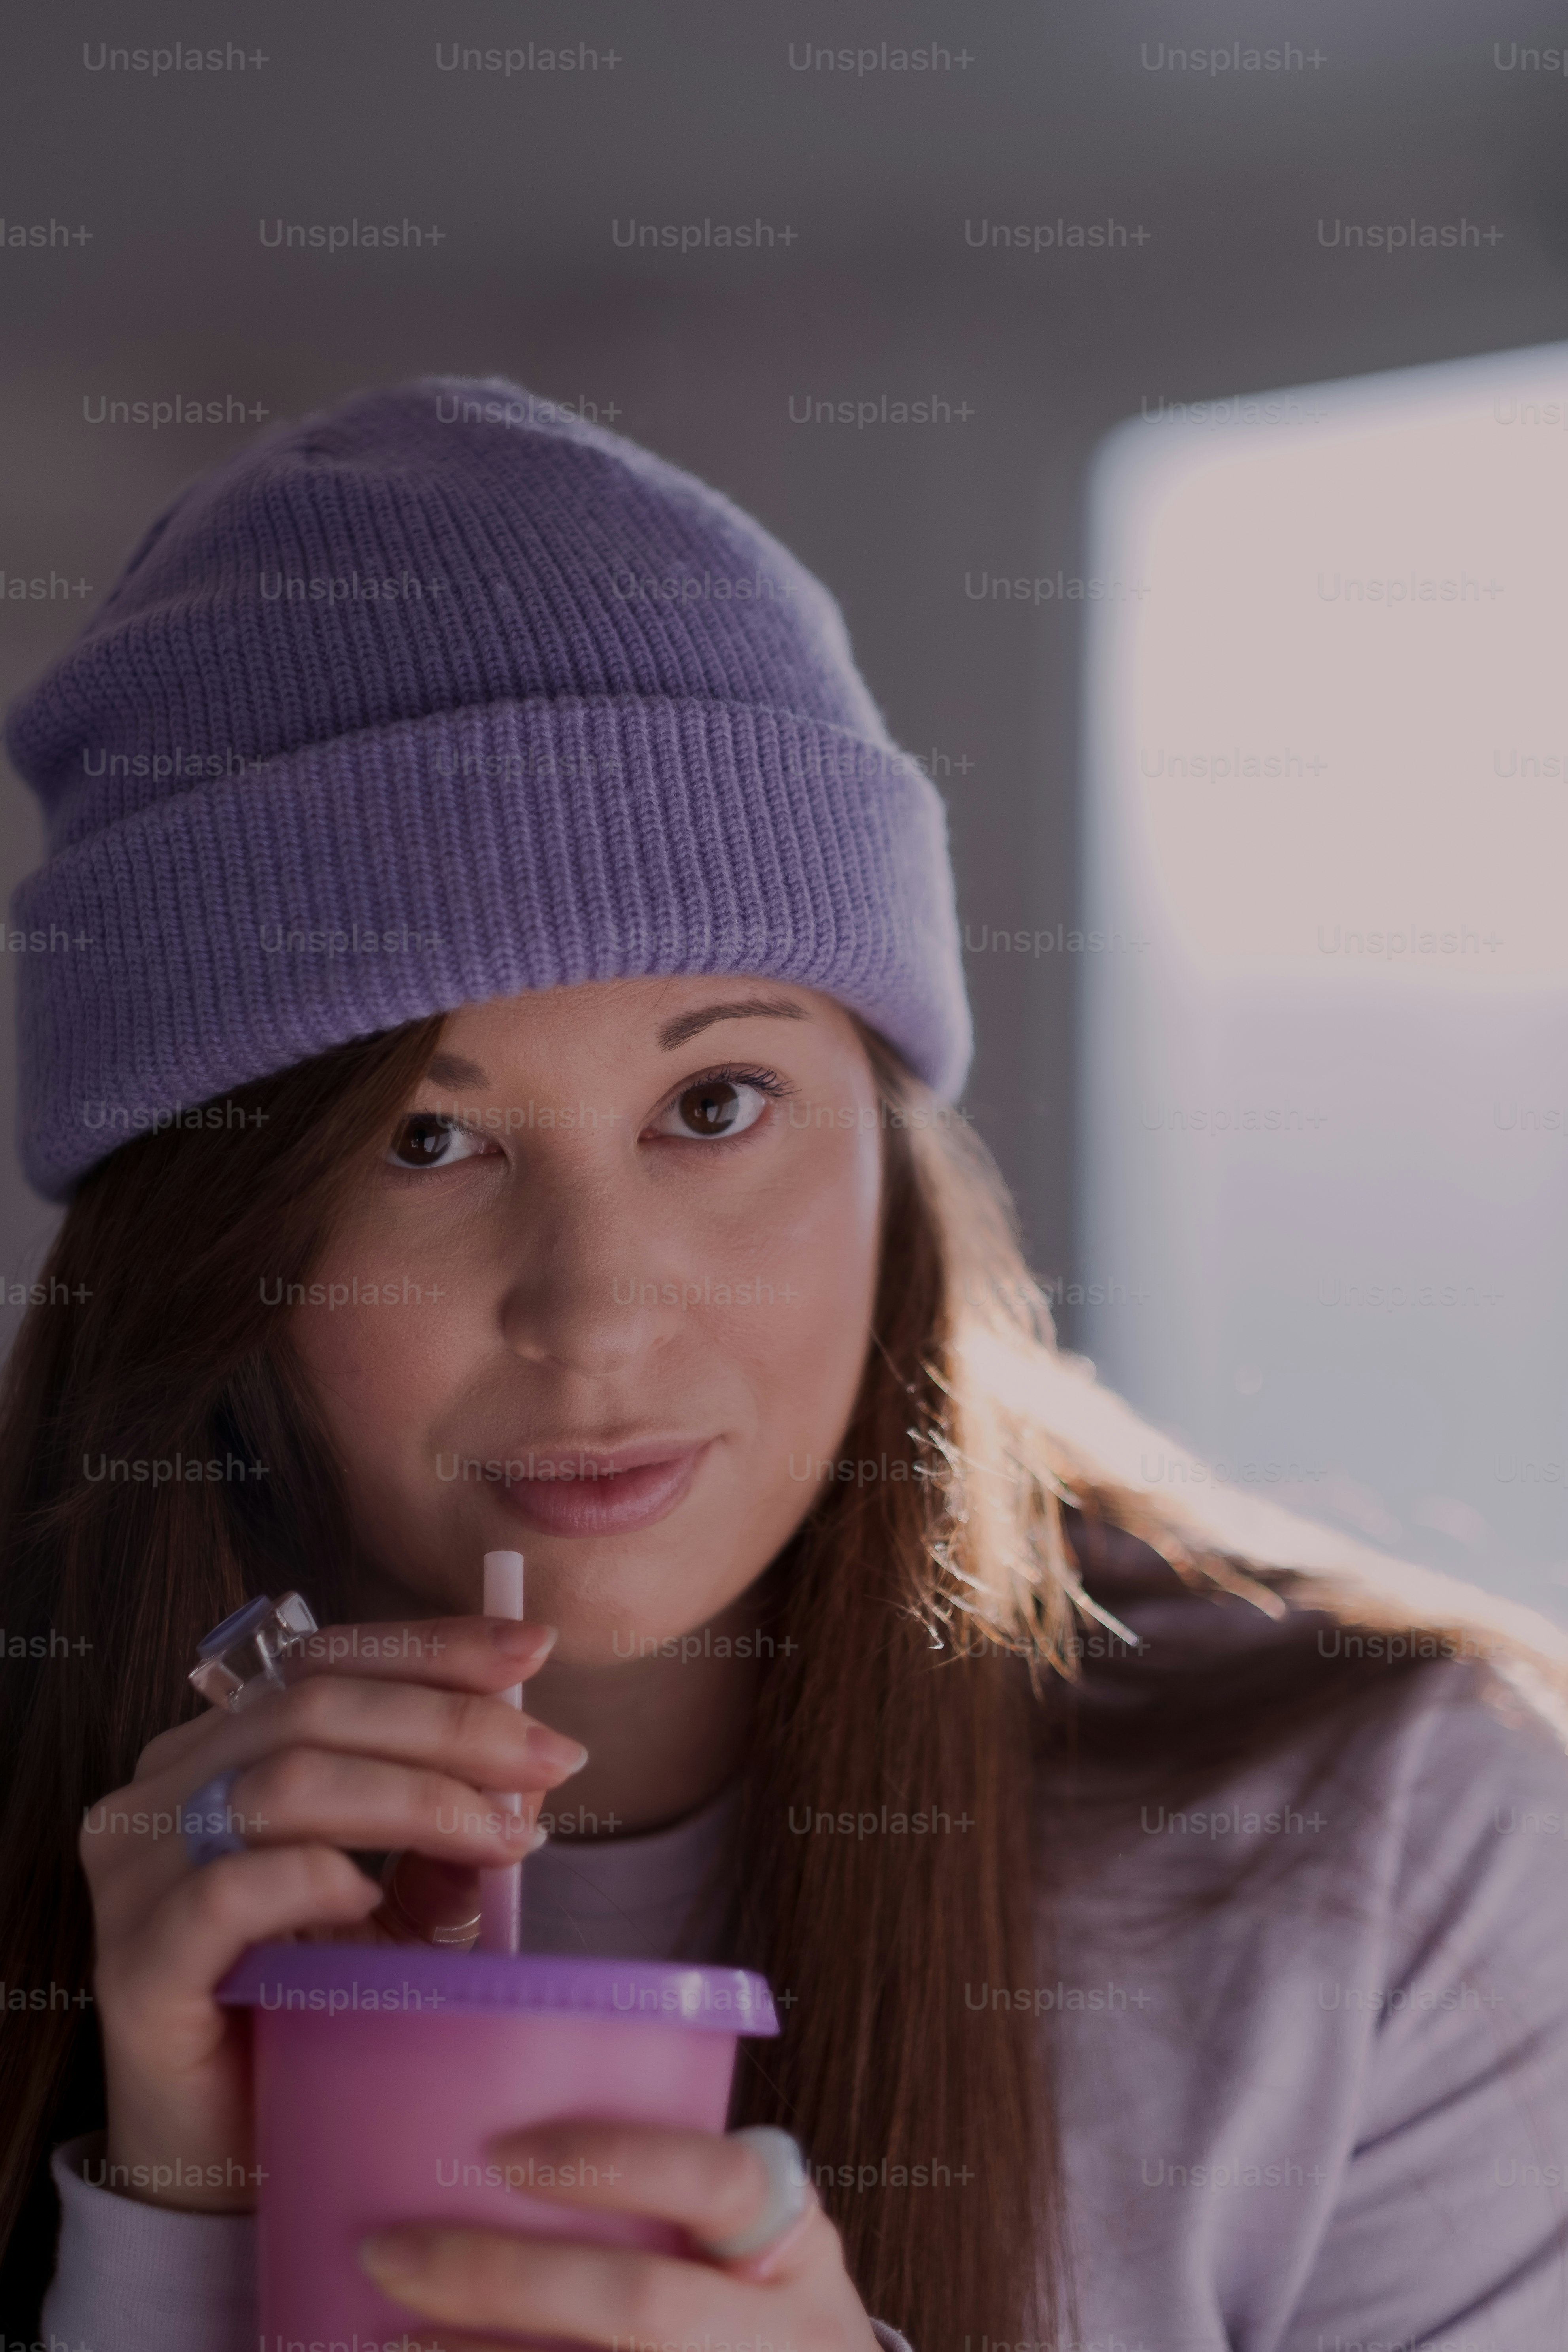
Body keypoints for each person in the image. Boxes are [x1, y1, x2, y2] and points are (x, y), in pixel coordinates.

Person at [1, 378, 1565, 2352]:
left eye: (717, 1100)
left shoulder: (1384, 1859)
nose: (598, 1312)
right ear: (204, 1246)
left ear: (887, 1143)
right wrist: (179, 2227)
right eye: (422, 1142)